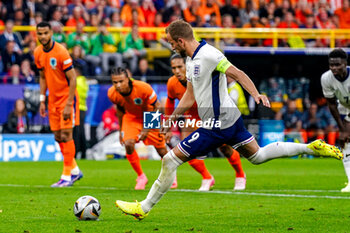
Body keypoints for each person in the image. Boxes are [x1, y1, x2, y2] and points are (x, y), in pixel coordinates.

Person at [115, 20, 342, 220]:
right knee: (258, 155)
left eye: (172, 43)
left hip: (217, 123)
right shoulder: (192, 61)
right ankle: (311, 147)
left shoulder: (210, 55)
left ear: (181, 41)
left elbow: (238, 73)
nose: (171, 47)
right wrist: (170, 119)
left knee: (170, 160)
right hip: (228, 120)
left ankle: (143, 207)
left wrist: (256, 94)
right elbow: (189, 97)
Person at [165, 54, 246, 191]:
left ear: (187, 66)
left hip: (212, 114)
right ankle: (207, 177)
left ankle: (240, 174)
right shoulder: (172, 83)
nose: (177, 71)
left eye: (180, 67)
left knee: (225, 148)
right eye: (173, 68)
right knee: (186, 150)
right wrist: (167, 126)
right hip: (191, 117)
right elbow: (170, 102)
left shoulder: (201, 78)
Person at [107, 67, 175, 190]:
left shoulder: (143, 88)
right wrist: (121, 131)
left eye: (121, 81)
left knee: (161, 150)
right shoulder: (112, 93)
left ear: (128, 79)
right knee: (128, 144)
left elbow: (158, 106)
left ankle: (171, 176)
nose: (118, 85)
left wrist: (146, 129)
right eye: (115, 82)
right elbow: (121, 110)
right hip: (131, 118)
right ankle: (141, 176)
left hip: (150, 116)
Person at [34, 21, 83, 187]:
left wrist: (69, 103)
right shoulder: (38, 52)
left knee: (66, 135)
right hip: (52, 100)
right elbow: (42, 77)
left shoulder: (61, 52)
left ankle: (66, 176)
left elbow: (73, 78)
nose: (43, 37)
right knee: (57, 136)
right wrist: (42, 99)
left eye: (45, 33)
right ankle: (75, 170)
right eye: (40, 34)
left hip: (66, 99)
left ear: (51, 33)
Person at [320, 48, 350, 192]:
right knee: (345, 142)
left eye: (337, 64)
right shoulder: (326, 78)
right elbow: (331, 103)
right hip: (344, 108)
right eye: (331, 65)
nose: (334, 68)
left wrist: (347, 127)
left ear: (345, 63)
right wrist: (342, 128)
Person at [73, 64, 89, 159]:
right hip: (81, 108)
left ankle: (78, 152)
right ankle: (83, 152)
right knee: (80, 131)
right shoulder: (83, 82)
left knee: (77, 132)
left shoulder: (78, 81)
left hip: (78, 108)